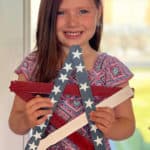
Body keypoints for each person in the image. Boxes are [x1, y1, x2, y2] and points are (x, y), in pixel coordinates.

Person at [8, 0, 135, 149]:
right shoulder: (33, 64)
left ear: (99, 11)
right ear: (48, 16)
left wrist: (112, 126)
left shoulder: (111, 68)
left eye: (83, 11)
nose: (72, 22)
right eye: (60, 12)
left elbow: (128, 125)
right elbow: (15, 124)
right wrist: (27, 119)